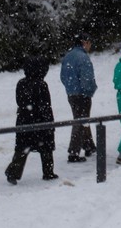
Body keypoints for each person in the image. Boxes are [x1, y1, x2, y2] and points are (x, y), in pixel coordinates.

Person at [5, 56, 58, 184]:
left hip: (24, 120)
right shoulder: (41, 85)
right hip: (40, 121)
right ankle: (48, 172)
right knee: (46, 148)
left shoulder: (21, 83)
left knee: (22, 148)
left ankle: (13, 172)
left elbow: (20, 102)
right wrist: (50, 123)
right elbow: (45, 106)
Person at [60, 34, 98, 163]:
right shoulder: (83, 58)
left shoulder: (68, 56)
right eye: (89, 43)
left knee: (82, 119)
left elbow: (63, 77)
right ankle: (73, 153)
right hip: (81, 94)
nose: (90, 46)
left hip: (71, 94)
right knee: (80, 121)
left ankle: (89, 146)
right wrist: (89, 91)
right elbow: (87, 78)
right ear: (84, 42)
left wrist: (70, 88)